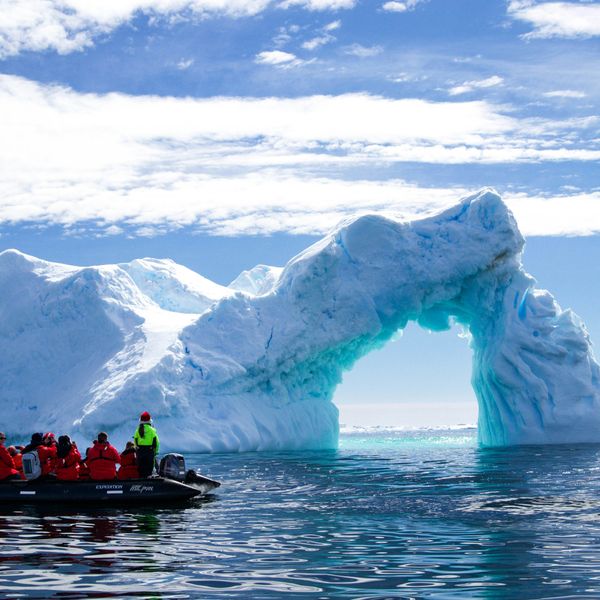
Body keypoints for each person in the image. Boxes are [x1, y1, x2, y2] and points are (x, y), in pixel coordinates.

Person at [134, 411, 160, 478]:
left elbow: (135, 441)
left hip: (140, 452)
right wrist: (156, 451)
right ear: (149, 420)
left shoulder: (137, 430)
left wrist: (137, 451)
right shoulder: (152, 430)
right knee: (149, 471)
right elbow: (157, 442)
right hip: (149, 452)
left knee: (141, 471)